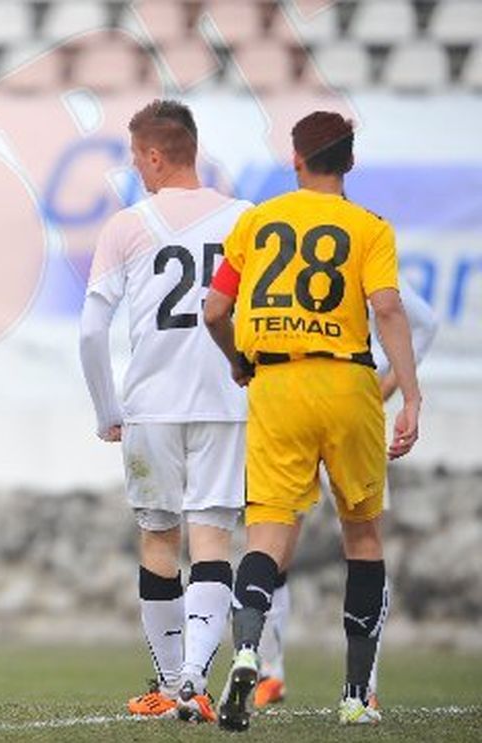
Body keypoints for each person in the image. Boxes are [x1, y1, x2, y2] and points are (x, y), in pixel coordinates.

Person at [203, 111, 422, 730]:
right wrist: (410, 393)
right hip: (349, 383)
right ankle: (356, 695)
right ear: (349, 164)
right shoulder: (369, 227)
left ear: (295, 159)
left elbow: (215, 309)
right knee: (364, 536)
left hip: (276, 386)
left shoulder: (257, 221)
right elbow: (386, 306)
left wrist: (239, 361)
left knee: (266, 537)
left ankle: (248, 650)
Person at [79, 100, 250, 724]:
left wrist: (107, 408)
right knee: (213, 539)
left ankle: (170, 682)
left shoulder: (128, 224)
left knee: (157, 536)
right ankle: (195, 682)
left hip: (151, 406)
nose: (135, 168)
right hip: (228, 402)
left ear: (154, 155)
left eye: (135, 157)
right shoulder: (247, 221)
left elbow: (92, 330)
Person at [253, 283, 438, 710]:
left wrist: (390, 384)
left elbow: (422, 320)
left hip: (346, 410)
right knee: (277, 541)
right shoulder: (301, 251)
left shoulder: (359, 250)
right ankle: (270, 671)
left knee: (362, 543)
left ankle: (363, 681)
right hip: (296, 406)